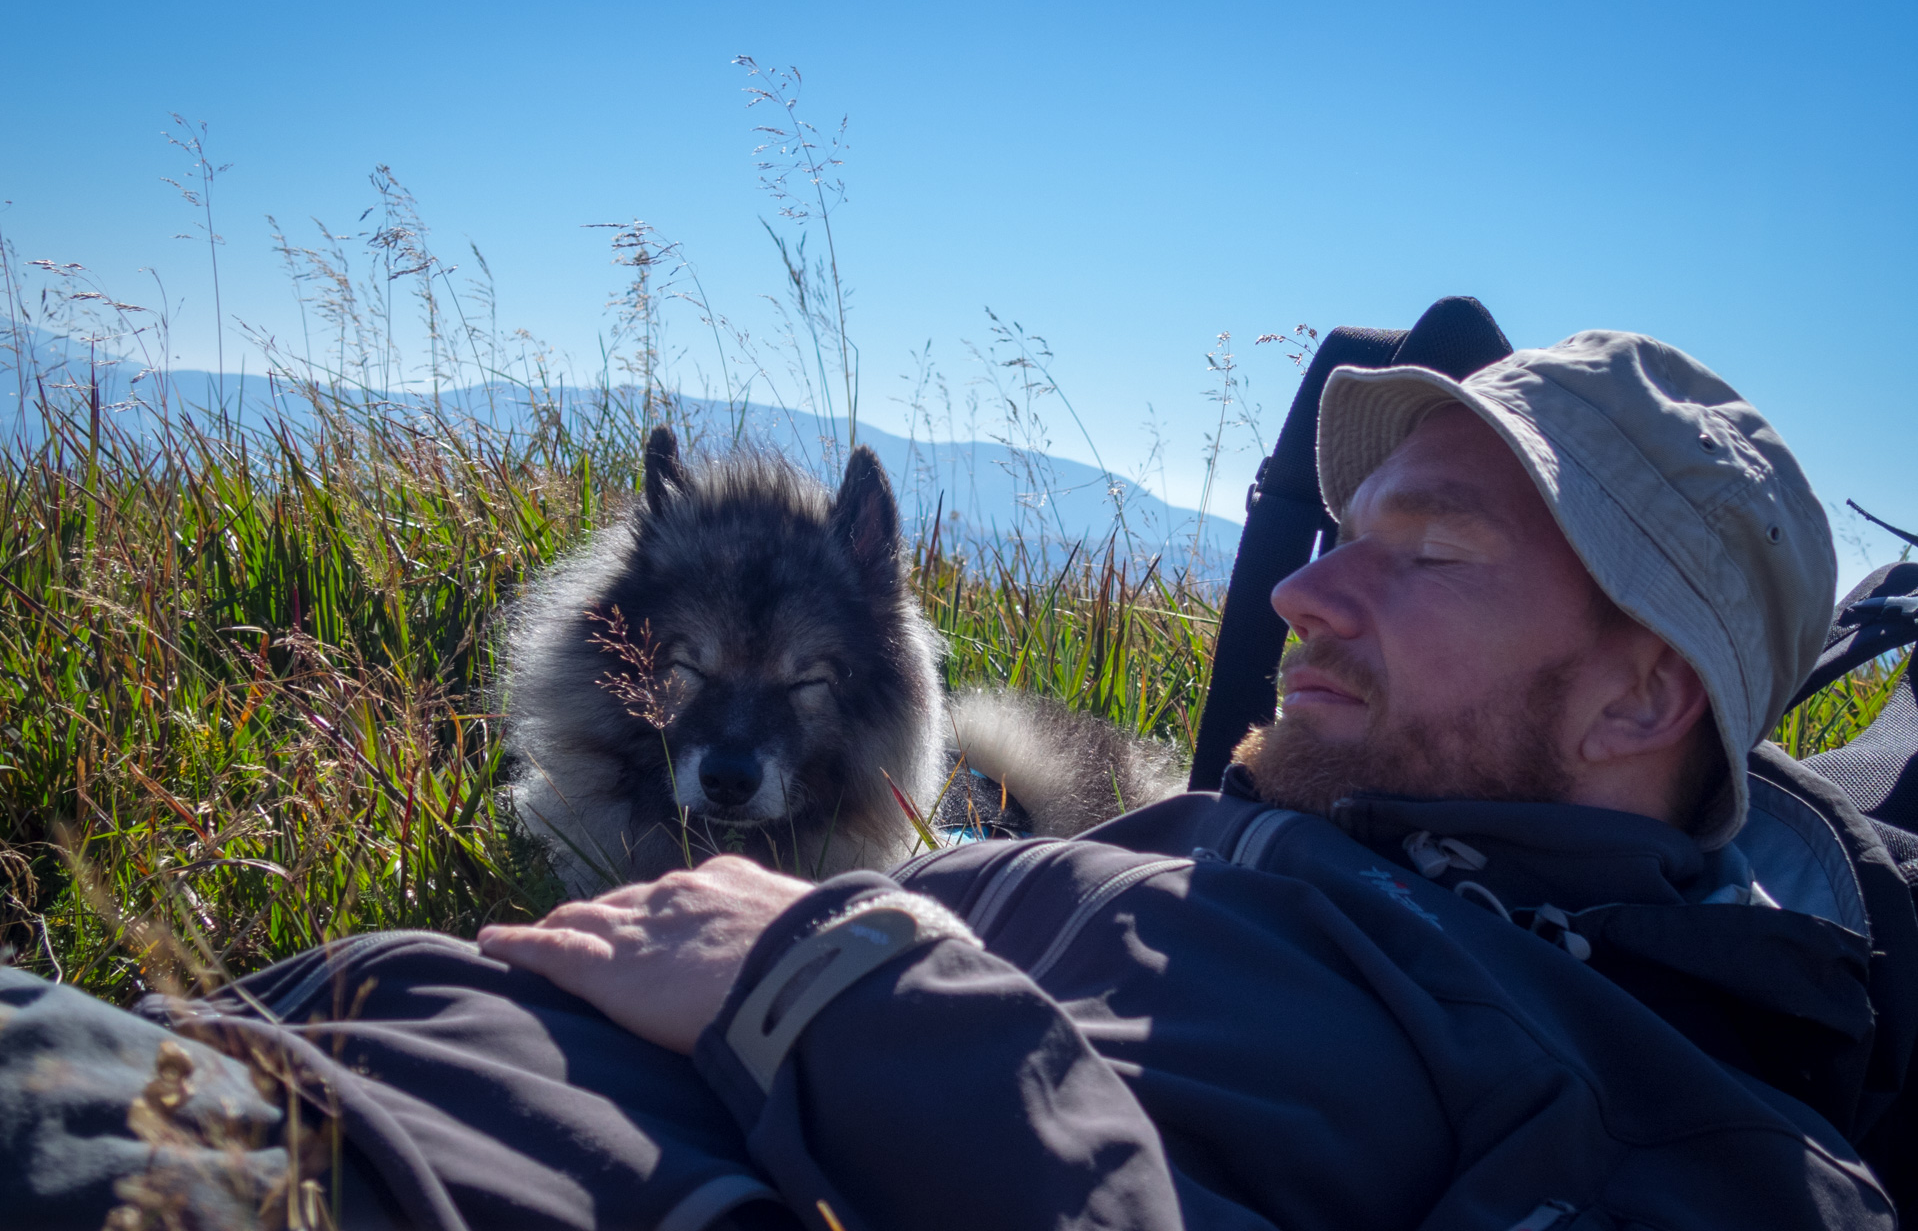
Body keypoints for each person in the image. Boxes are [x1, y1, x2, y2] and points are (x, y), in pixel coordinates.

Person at [3, 331, 1906, 1231]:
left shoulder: (1684, 1128)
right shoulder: (1285, 855)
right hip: (237, 1053)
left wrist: (823, 978)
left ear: (1635, 699)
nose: (1303, 592)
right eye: (1339, 530)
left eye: (1427, 552)